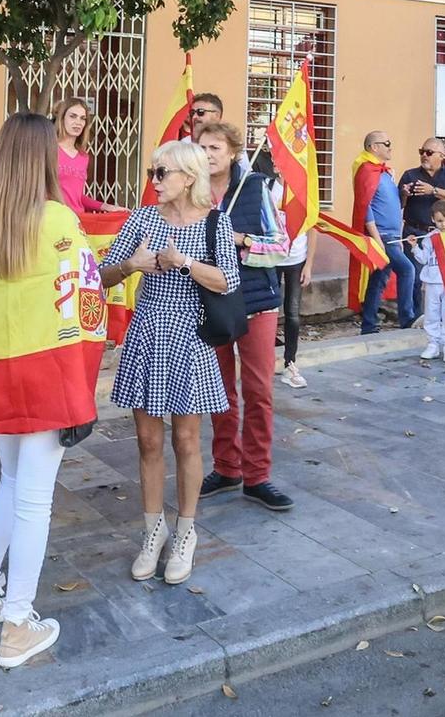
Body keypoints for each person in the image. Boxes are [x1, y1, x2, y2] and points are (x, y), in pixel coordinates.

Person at [0, 115, 104, 668]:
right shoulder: (58, 219)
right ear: (44, 157)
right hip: (45, 375)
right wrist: (81, 390)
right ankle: (17, 621)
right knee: (34, 501)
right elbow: (83, 308)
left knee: (11, 483)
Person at [101, 139, 241, 587]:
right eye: (152, 173)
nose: (154, 181)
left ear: (189, 177)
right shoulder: (142, 219)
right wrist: (132, 265)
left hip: (190, 337)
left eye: (162, 173)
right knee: (146, 441)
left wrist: (184, 263)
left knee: (186, 440)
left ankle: (186, 531)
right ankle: (152, 531)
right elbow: (98, 275)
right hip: (147, 332)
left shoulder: (214, 223)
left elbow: (228, 282)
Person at [194, 121, 292, 512]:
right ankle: (227, 466)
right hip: (209, 300)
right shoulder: (193, 192)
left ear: (233, 151)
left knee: (258, 390)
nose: (208, 154)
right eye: (202, 147)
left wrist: (243, 241)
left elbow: (281, 246)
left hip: (256, 302)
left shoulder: (255, 188)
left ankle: (258, 475)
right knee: (218, 391)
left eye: (215, 147)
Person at [250, 150, 312, 389]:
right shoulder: (267, 188)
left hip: (297, 258)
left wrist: (310, 263)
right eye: (275, 160)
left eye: (282, 160)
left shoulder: (304, 192)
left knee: (293, 313)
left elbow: (313, 227)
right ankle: (264, 361)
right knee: (267, 311)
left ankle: (290, 363)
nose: (277, 164)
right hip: (272, 258)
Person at [355, 131, 416, 331]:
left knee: (379, 279)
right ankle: (407, 318)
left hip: (392, 235)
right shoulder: (366, 171)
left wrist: (404, 195)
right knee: (407, 270)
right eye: (386, 143)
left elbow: (393, 205)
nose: (391, 147)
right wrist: (376, 238)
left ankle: (369, 324)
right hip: (382, 236)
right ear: (374, 147)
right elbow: (365, 207)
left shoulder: (384, 173)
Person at [412, 199, 445, 362]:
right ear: (433, 219)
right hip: (432, 282)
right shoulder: (429, 238)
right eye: (440, 221)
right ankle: (433, 344)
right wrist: (415, 247)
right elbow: (423, 259)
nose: (444, 224)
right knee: (431, 314)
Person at [54, 96, 108, 215]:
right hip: (54, 219)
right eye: (73, 116)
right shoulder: (49, 150)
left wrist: (105, 206)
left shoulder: (83, 157)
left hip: (77, 221)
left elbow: (77, 197)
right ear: (62, 118)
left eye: (82, 118)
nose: (78, 122)